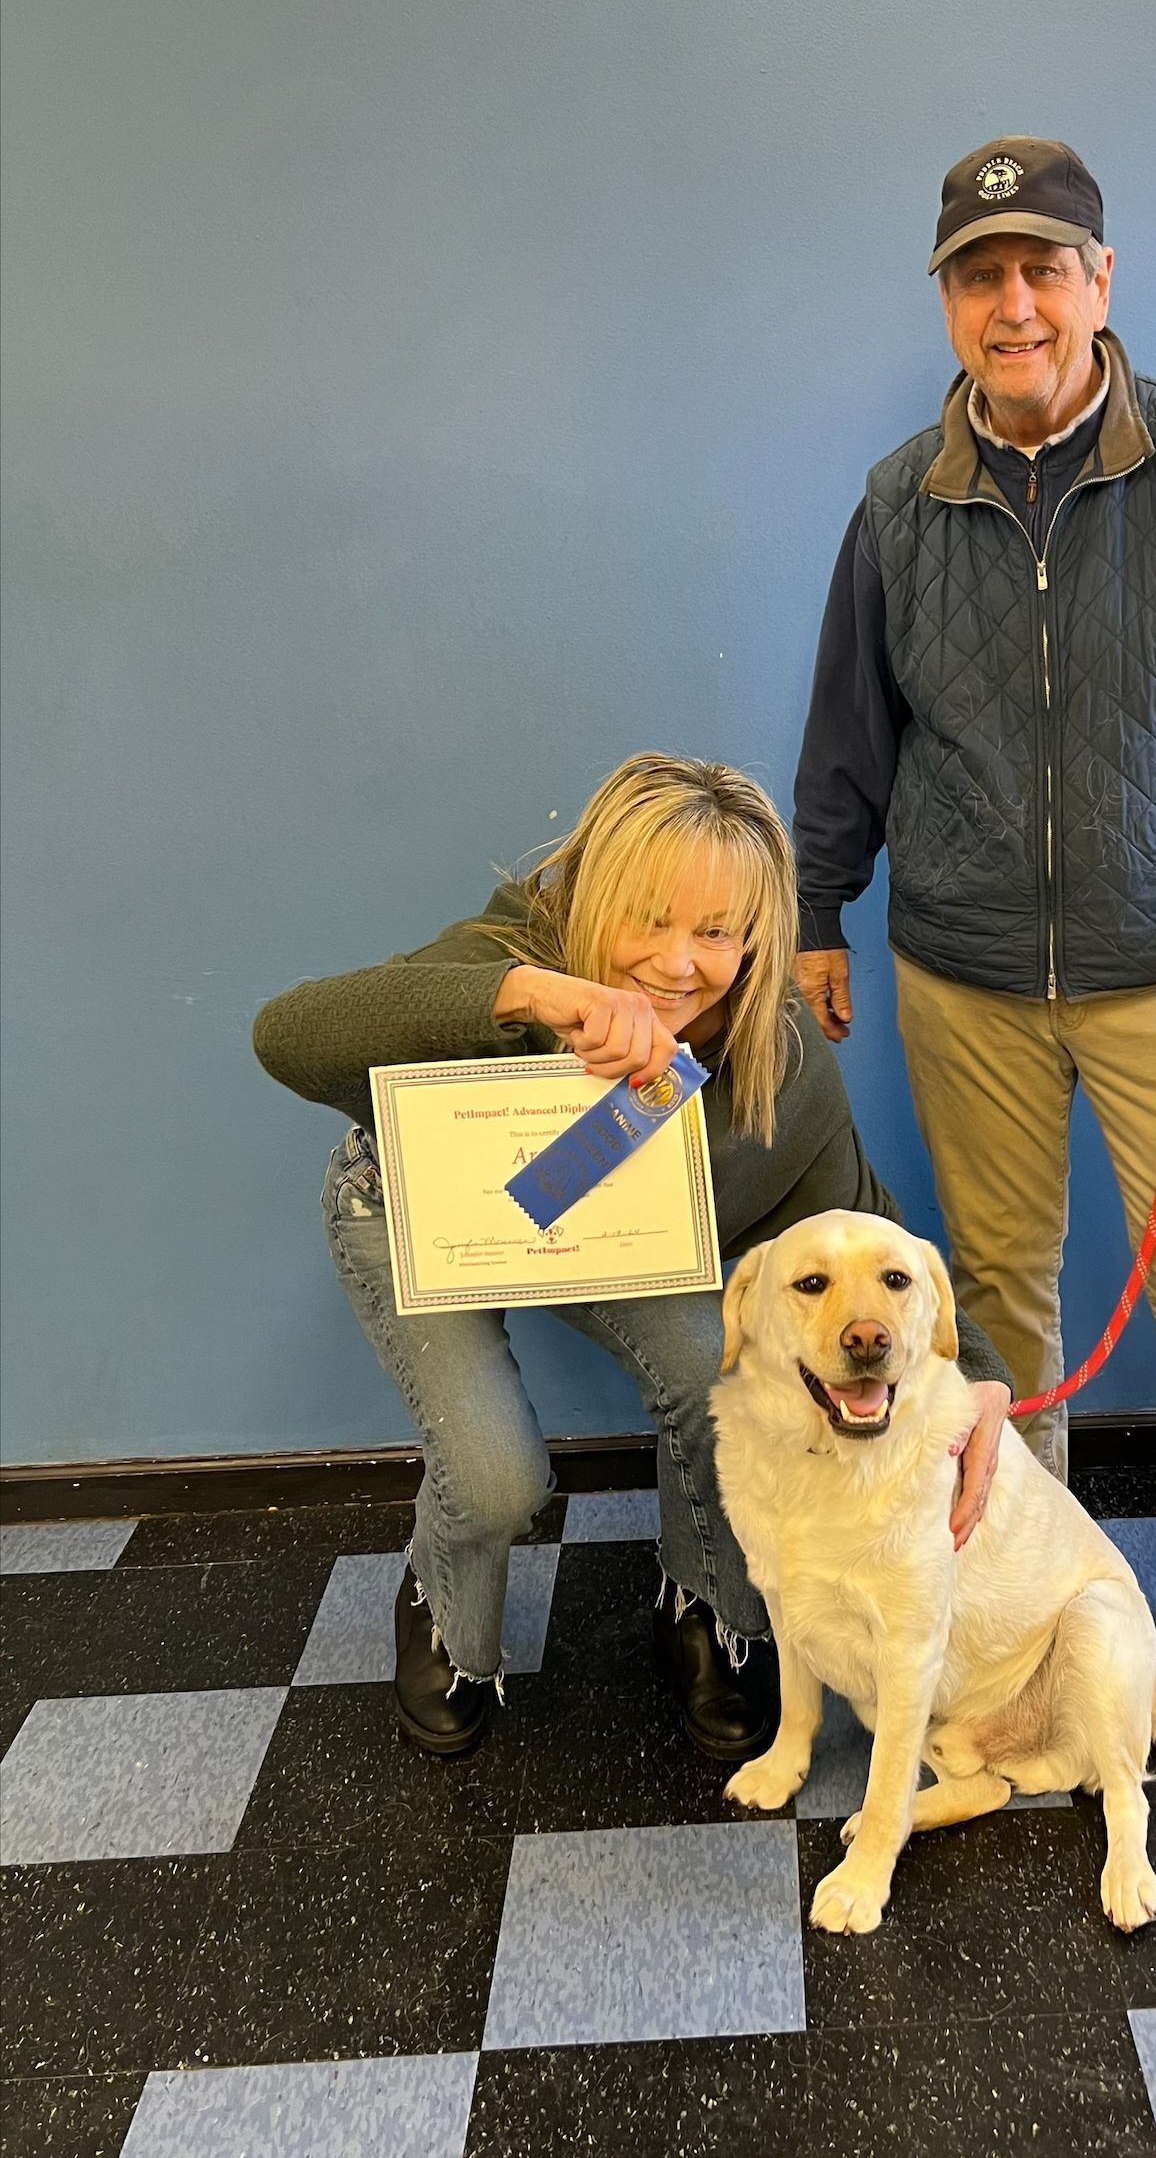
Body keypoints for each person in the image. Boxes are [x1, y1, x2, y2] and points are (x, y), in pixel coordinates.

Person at [793, 137, 1156, 1739]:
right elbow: (848, 732)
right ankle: (1018, 1574)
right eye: (980, 275)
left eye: (1044, 269)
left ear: (1100, 284)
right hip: (959, 971)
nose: (1013, 302)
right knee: (996, 1301)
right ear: (949, 305)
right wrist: (821, 905)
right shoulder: (899, 500)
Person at [254, 755, 1011, 1762]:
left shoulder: (774, 1051)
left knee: (727, 1374)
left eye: (716, 932)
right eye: (648, 917)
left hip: (605, 1229)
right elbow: (285, 1033)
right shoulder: (513, 943)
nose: (678, 962)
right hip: (412, 1206)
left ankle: (704, 1607)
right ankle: (445, 1605)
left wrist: (983, 1374)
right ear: (592, 895)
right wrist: (525, 993)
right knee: (497, 1481)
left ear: (756, 938)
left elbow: (865, 1225)